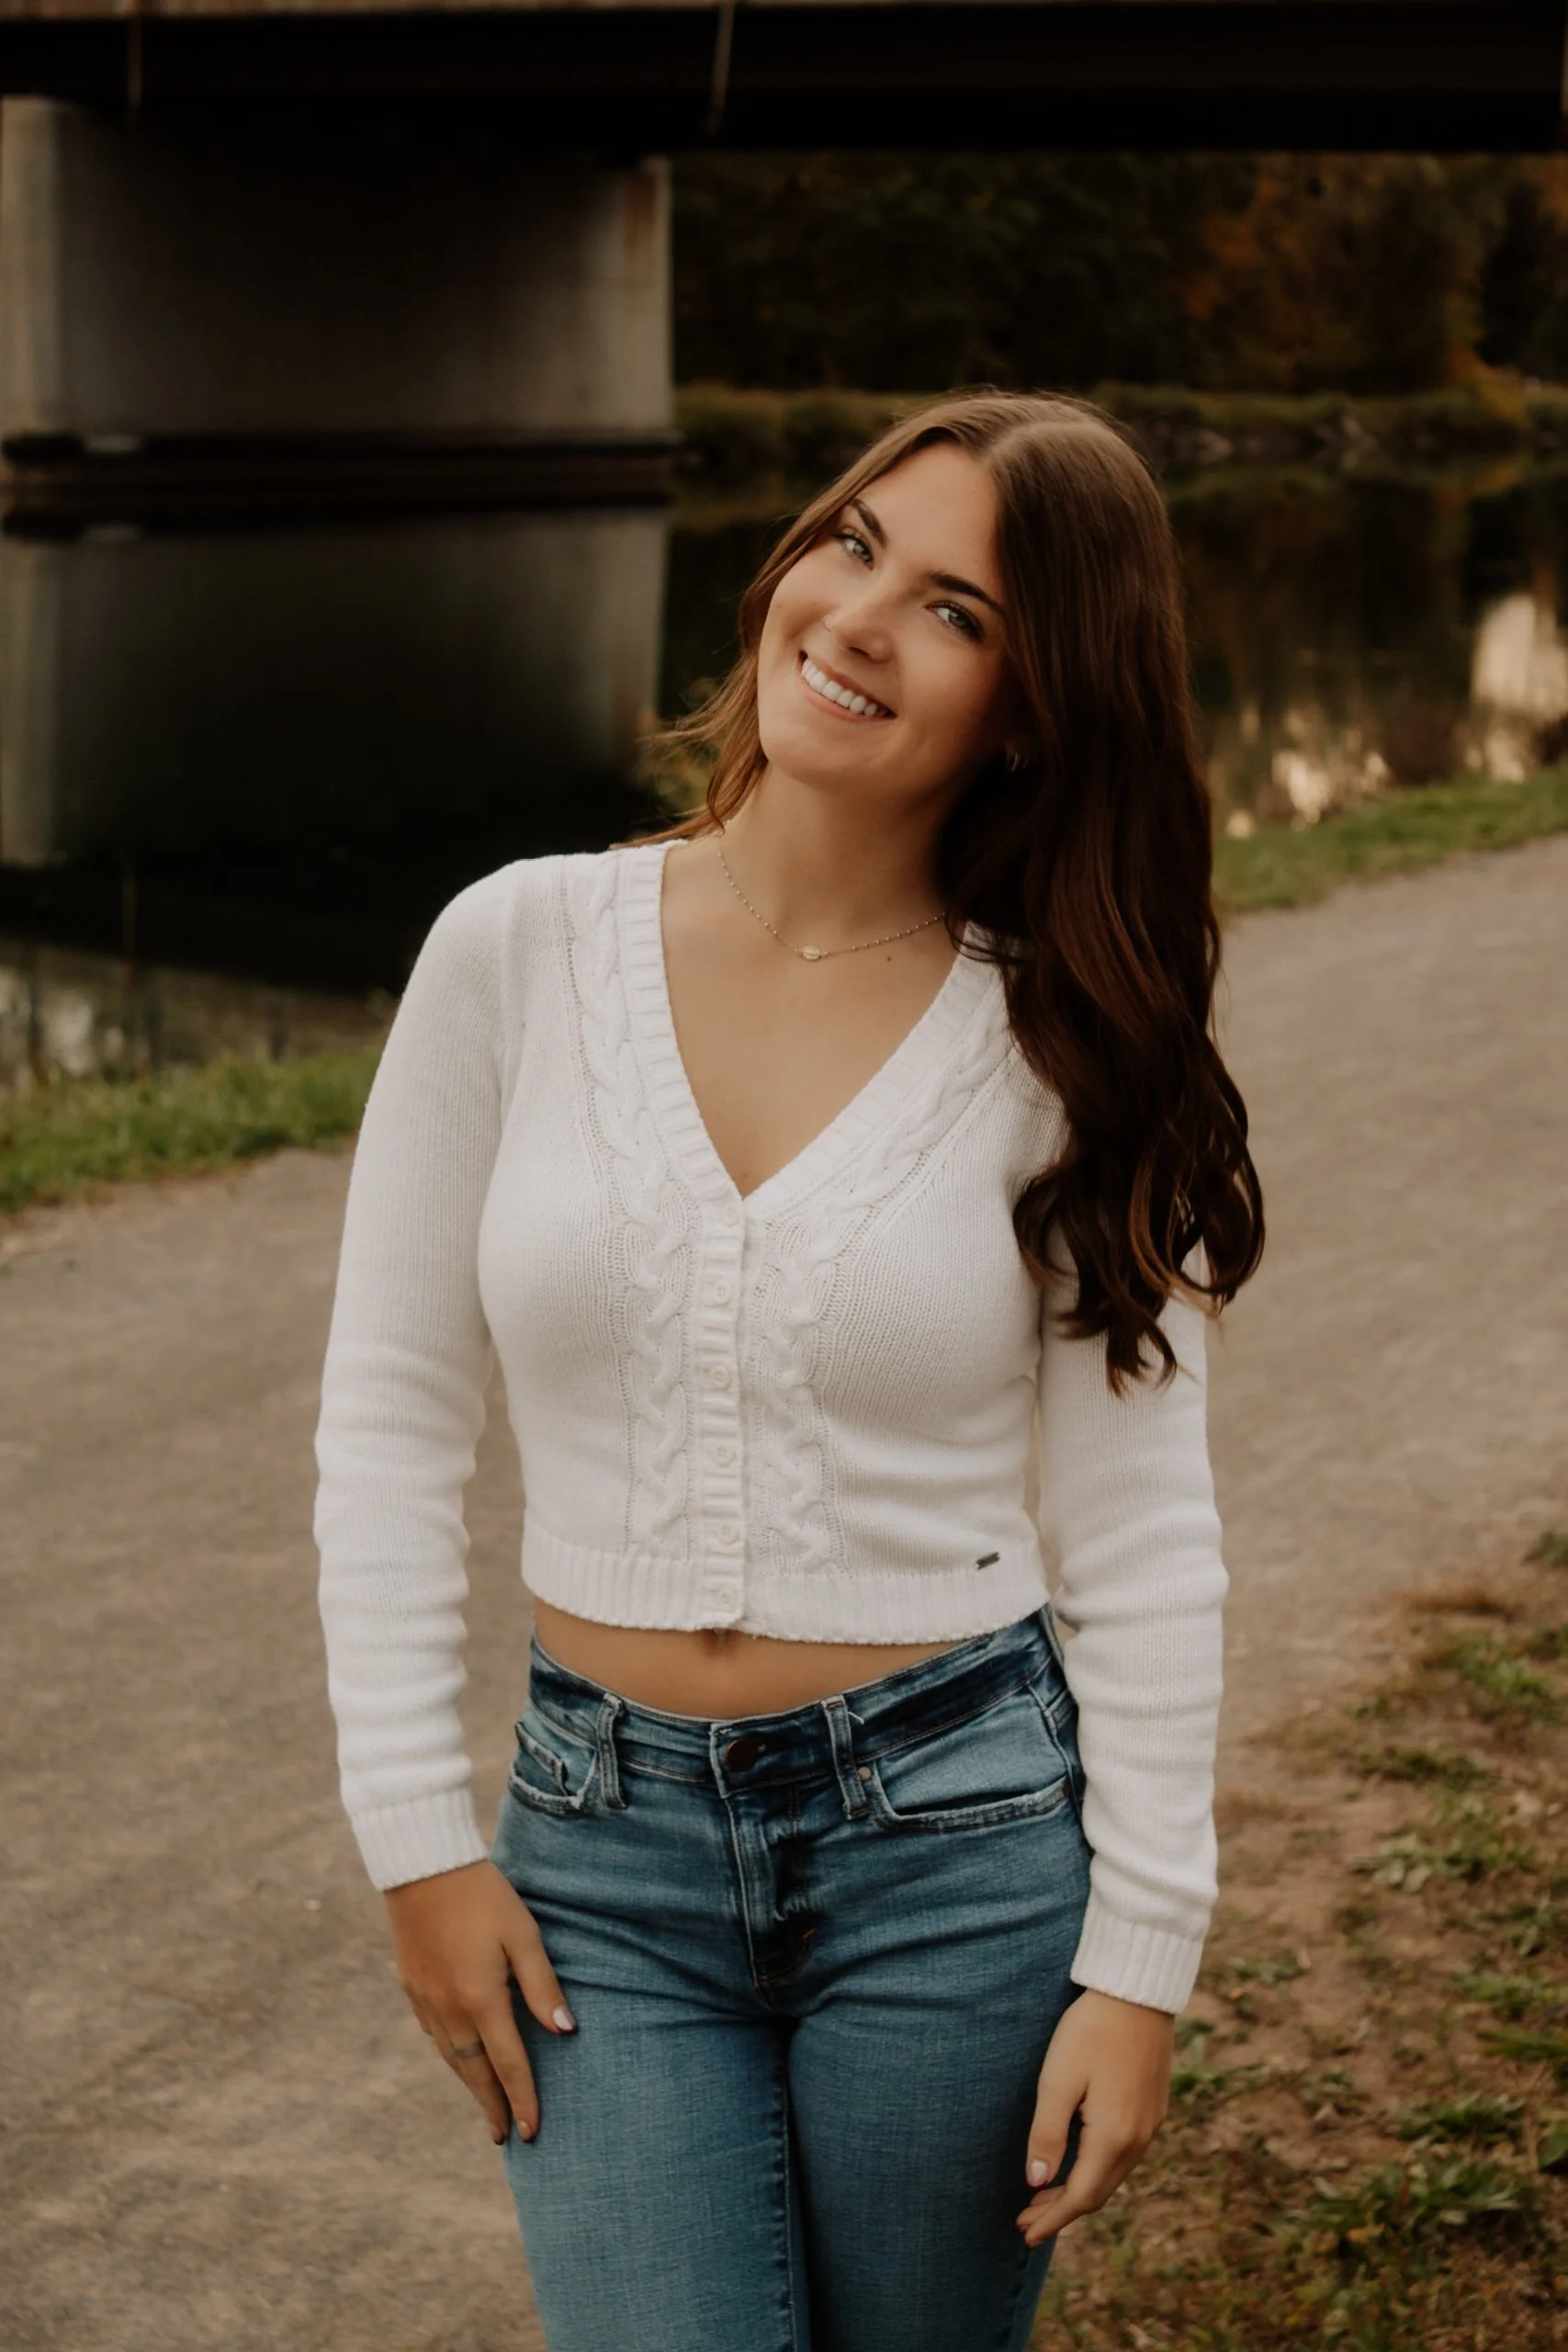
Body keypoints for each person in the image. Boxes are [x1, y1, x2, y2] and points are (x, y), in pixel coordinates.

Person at [313, 388, 1265, 2352]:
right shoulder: (516, 947)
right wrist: (417, 1838)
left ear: (1029, 703)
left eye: (957, 610)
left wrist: (1140, 1958)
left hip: (964, 1852)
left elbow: (1142, 1533)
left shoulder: (1062, 1040)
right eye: (850, 541)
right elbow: (392, 1420)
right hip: (600, 1851)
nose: (857, 615)